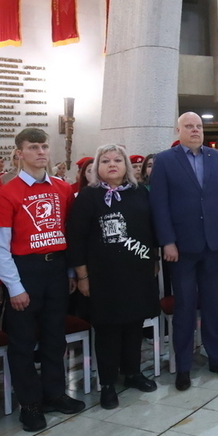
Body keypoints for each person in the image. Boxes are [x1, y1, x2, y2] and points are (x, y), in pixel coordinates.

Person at [0, 127, 84, 432]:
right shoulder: (7, 193)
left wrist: (69, 271)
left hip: (56, 269)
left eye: (44, 147)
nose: (41, 152)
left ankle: (55, 392)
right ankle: (29, 403)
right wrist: (14, 287)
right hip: (25, 270)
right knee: (23, 341)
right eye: (33, 147)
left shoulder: (61, 188)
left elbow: (67, 231)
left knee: (55, 337)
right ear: (20, 153)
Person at [67, 144, 159, 410]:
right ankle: (107, 382)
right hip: (102, 274)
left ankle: (132, 372)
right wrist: (82, 275)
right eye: (105, 161)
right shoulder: (88, 197)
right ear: (97, 167)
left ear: (127, 166)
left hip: (137, 269)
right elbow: (77, 237)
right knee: (107, 329)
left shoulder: (139, 192)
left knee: (134, 324)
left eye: (118, 160)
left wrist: (152, 259)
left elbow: (149, 228)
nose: (112, 164)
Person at [150, 112, 218, 391]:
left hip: (213, 244)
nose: (195, 130)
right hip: (182, 247)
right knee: (185, 307)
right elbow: (159, 205)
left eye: (199, 126)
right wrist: (167, 241)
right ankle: (183, 365)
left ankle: (217, 357)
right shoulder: (165, 160)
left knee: (212, 303)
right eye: (189, 126)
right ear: (178, 130)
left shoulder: (216, 159)